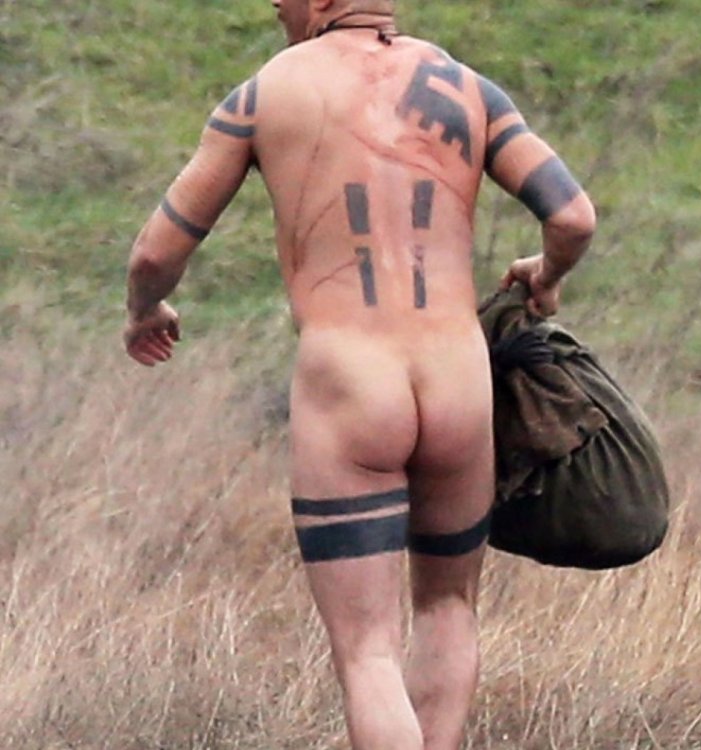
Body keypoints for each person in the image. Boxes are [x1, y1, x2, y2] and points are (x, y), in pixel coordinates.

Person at [123, 1, 596, 747]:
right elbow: (572, 217)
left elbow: (155, 253)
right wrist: (548, 274)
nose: (275, 4)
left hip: (351, 377)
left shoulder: (264, 94)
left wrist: (145, 310)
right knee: (448, 609)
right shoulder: (468, 87)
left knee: (368, 651)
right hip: (457, 374)